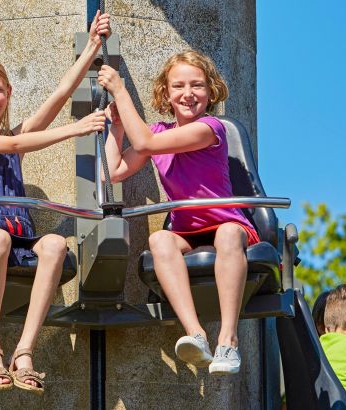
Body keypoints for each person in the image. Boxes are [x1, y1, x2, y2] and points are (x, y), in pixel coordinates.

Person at [0, 12, 111, 393]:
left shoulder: (14, 137)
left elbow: (58, 96)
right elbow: (14, 144)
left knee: (53, 244)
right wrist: (76, 128)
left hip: (17, 238)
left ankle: (24, 351)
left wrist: (91, 50)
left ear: (9, 92)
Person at [97, 50, 259, 375]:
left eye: (197, 85)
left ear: (210, 92)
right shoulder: (157, 133)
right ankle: (196, 334)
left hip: (227, 226)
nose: (188, 94)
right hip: (187, 231)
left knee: (227, 233)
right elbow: (112, 172)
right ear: (166, 94)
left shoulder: (210, 129)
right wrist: (116, 128)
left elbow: (144, 143)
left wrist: (120, 89)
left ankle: (228, 340)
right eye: (179, 86)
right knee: (159, 239)